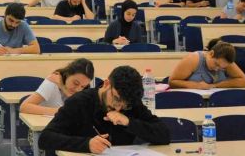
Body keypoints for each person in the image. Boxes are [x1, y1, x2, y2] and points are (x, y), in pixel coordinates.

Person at [38, 65, 170, 155]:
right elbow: (45, 138)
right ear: (107, 84)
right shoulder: (79, 102)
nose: (118, 108)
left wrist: (129, 122)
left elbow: (164, 135)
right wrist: (87, 144)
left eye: (125, 106)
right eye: (116, 99)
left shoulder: (132, 103)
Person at [0, 4, 40, 97]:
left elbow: (36, 48)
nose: (13, 25)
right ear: (5, 15)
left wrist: (15, 50)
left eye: (17, 22)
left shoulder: (23, 25)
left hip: (17, 65)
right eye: (11, 20)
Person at [20, 58, 95, 116]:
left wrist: (64, 89)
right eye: (75, 83)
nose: (78, 89)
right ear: (68, 74)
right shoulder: (53, 81)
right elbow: (24, 107)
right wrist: (60, 111)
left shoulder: (86, 87)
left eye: (83, 86)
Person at [168, 41, 245, 89]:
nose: (217, 69)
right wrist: (196, 85)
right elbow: (172, 82)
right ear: (211, 54)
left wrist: (215, 85)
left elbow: (244, 82)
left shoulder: (226, 62)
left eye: (222, 68)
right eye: (216, 64)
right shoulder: (193, 59)